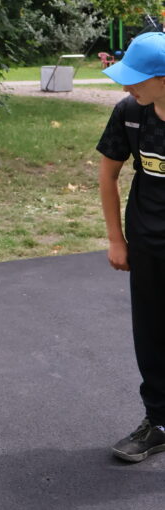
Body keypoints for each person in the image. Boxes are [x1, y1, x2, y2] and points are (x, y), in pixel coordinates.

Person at [97, 31, 165, 462]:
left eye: (136, 78)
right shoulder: (129, 112)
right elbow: (108, 176)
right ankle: (158, 422)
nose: (126, 85)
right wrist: (116, 239)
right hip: (146, 242)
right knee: (151, 334)